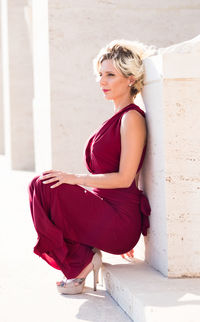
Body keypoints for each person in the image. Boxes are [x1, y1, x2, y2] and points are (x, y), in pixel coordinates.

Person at [28, 39, 152, 295]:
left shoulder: (132, 118)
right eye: (100, 74)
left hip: (120, 219)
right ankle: (84, 255)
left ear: (130, 79)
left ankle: (79, 262)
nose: (102, 81)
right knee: (42, 184)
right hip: (105, 209)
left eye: (110, 75)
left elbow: (125, 178)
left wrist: (75, 178)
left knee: (45, 185)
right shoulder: (117, 118)